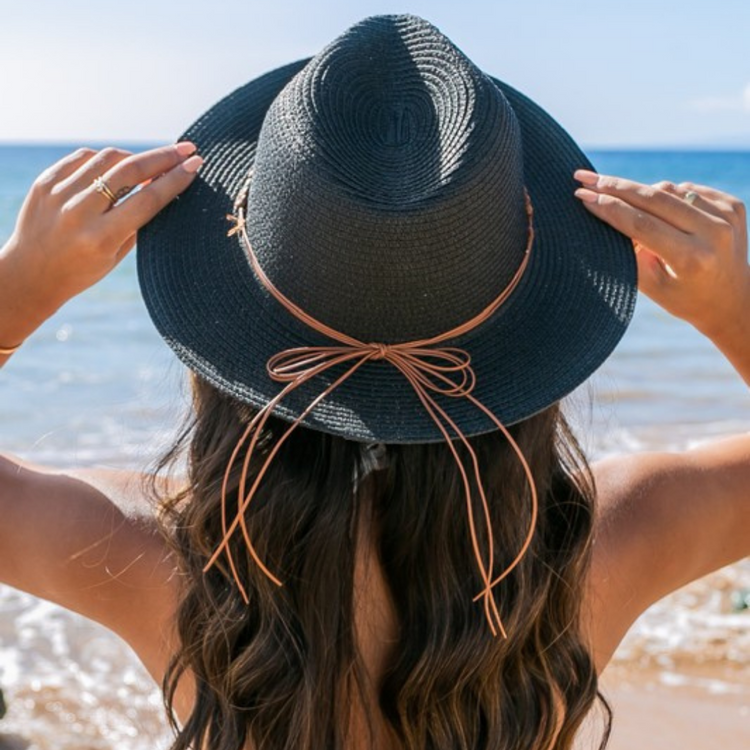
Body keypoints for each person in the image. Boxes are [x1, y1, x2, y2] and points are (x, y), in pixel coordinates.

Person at [0, 13, 748, 750]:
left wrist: (19, 291)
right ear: (529, 336)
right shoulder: (599, 549)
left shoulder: (169, 559)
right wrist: (734, 314)